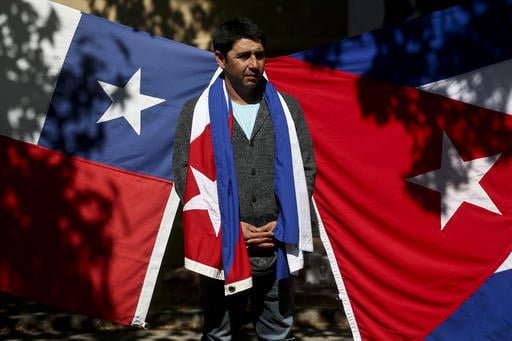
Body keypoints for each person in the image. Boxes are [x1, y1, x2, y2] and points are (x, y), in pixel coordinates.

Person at [172, 17, 316, 341]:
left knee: (279, 333)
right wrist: (228, 227)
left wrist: (284, 222)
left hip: (276, 243)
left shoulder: (287, 108)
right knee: (219, 334)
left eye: (260, 55)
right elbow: (186, 175)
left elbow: (305, 170)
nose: (254, 64)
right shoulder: (196, 112)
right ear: (220, 59)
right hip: (220, 246)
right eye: (244, 56)